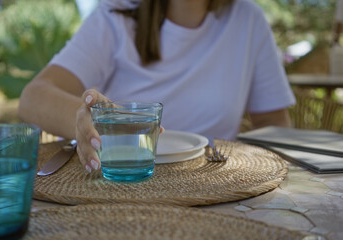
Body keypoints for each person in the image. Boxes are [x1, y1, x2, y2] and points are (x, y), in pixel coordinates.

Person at [18, 0, 295, 173]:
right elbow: (33, 97)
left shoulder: (248, 19)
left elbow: (272, 123)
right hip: (122, 188)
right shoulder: (116, 15)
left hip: (216, 186)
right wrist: (81, 121)